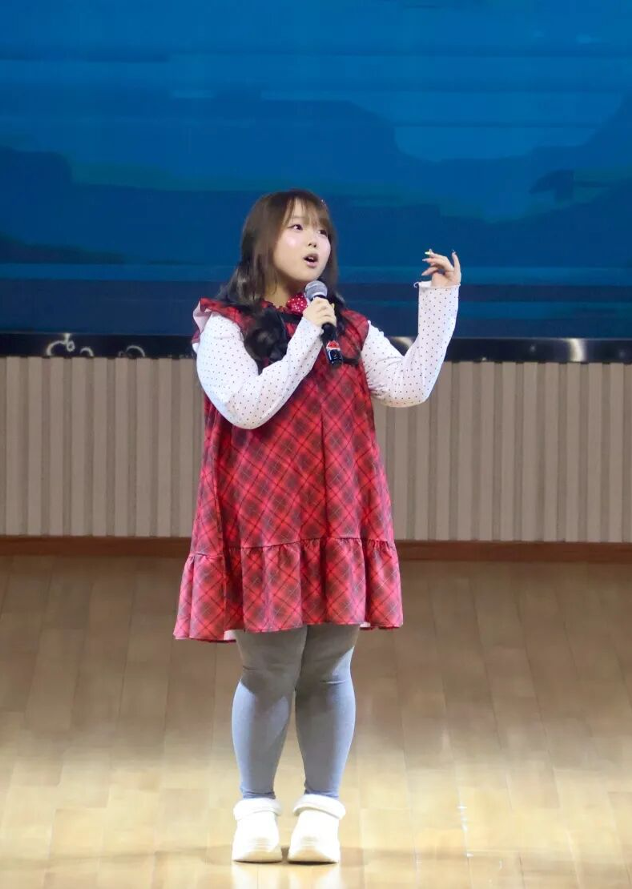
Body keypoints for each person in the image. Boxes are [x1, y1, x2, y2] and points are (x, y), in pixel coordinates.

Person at [174, 189, 460, 864]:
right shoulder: (223, 326)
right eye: (297, 227)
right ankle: (255, 810)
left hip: (340, 517)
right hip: (264, 522)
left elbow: (408, 386)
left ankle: (320, 815)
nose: (314, 241)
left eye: (322, 231)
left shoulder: (349, 328)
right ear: (262, 241)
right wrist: (306, 335)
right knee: (270, 669)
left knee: (329, 669)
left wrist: (440, 304)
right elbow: (246, 406)